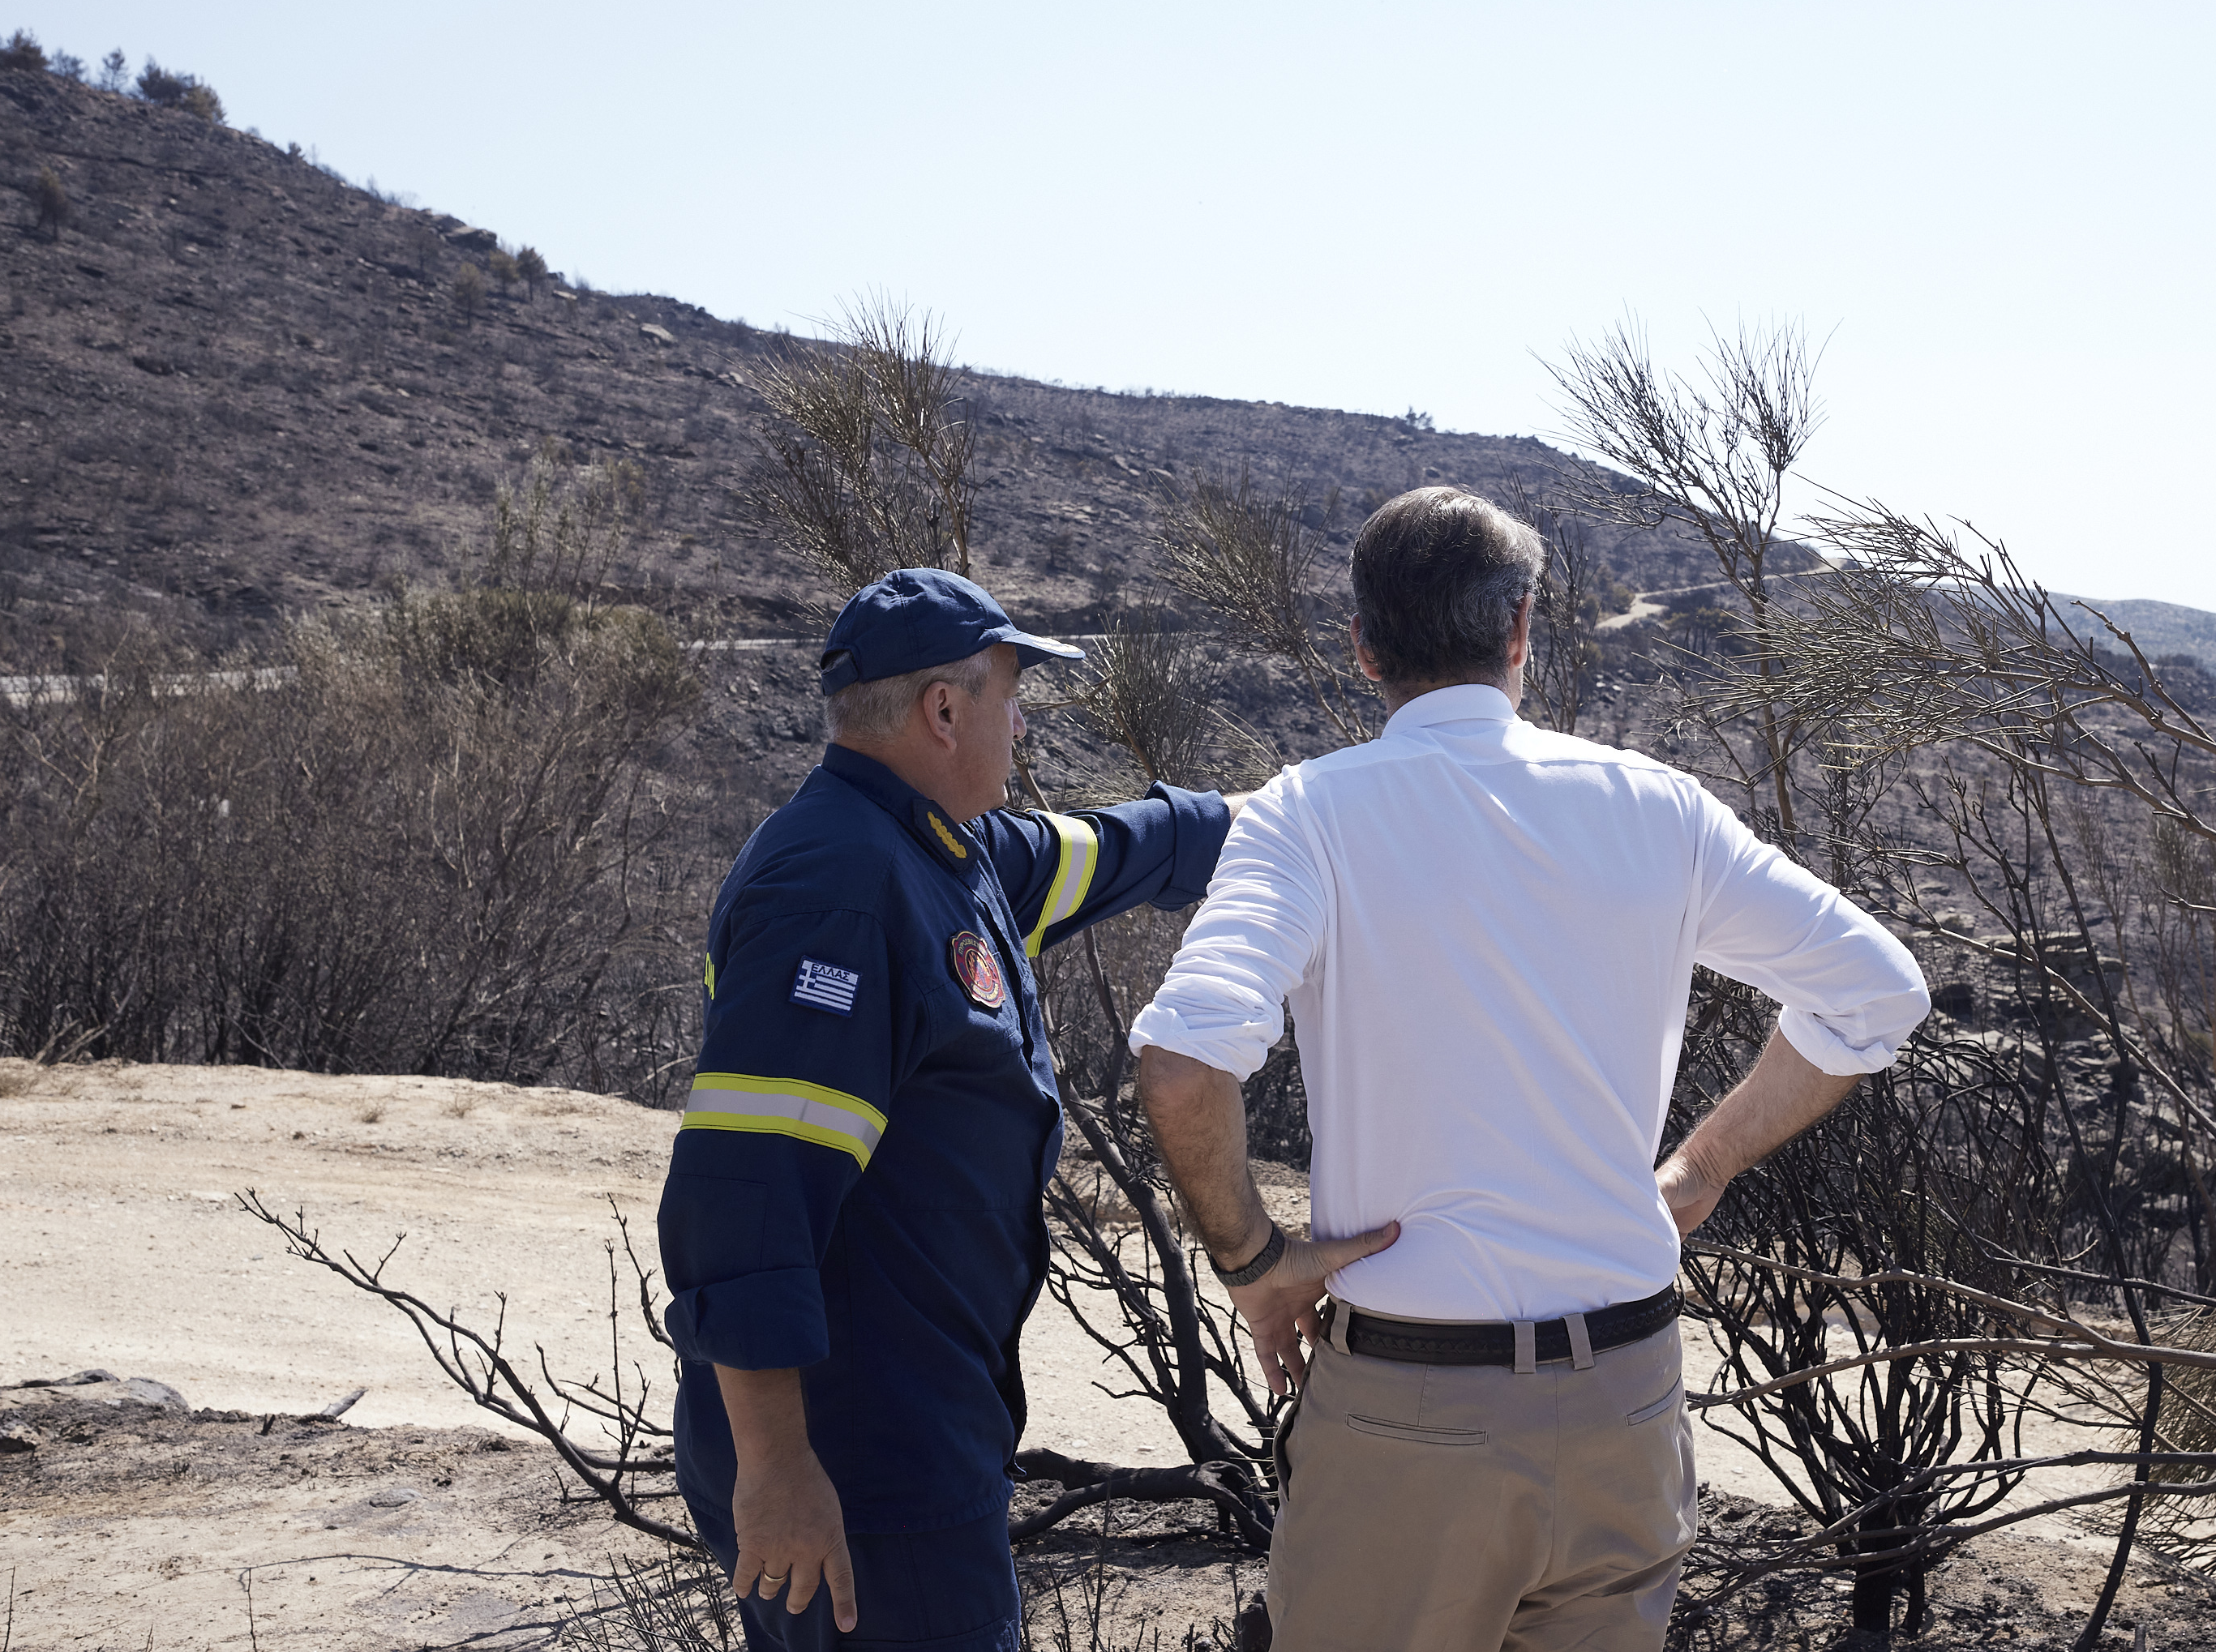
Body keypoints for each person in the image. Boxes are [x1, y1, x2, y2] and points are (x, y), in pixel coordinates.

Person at [1129, 488, 1933, 1652]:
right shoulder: (1658, 810)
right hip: (1628, 1402)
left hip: (1409, 1416)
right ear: (1519, 631)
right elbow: (1878, 989)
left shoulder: (1310, 817)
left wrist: (1256, 1263)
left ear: (1363, 647)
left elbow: (1183, 1061)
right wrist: (1701, 1166)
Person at [658, 568, 1235, 1652]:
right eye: (1013, 696)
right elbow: (743, 1204)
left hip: (918, 1426)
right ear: (942, 710)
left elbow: (1125, 851)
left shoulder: (946, 853)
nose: (1022, 724)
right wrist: (781, 1471)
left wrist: (1318, 814)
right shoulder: (838, 886)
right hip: (857, 1458)